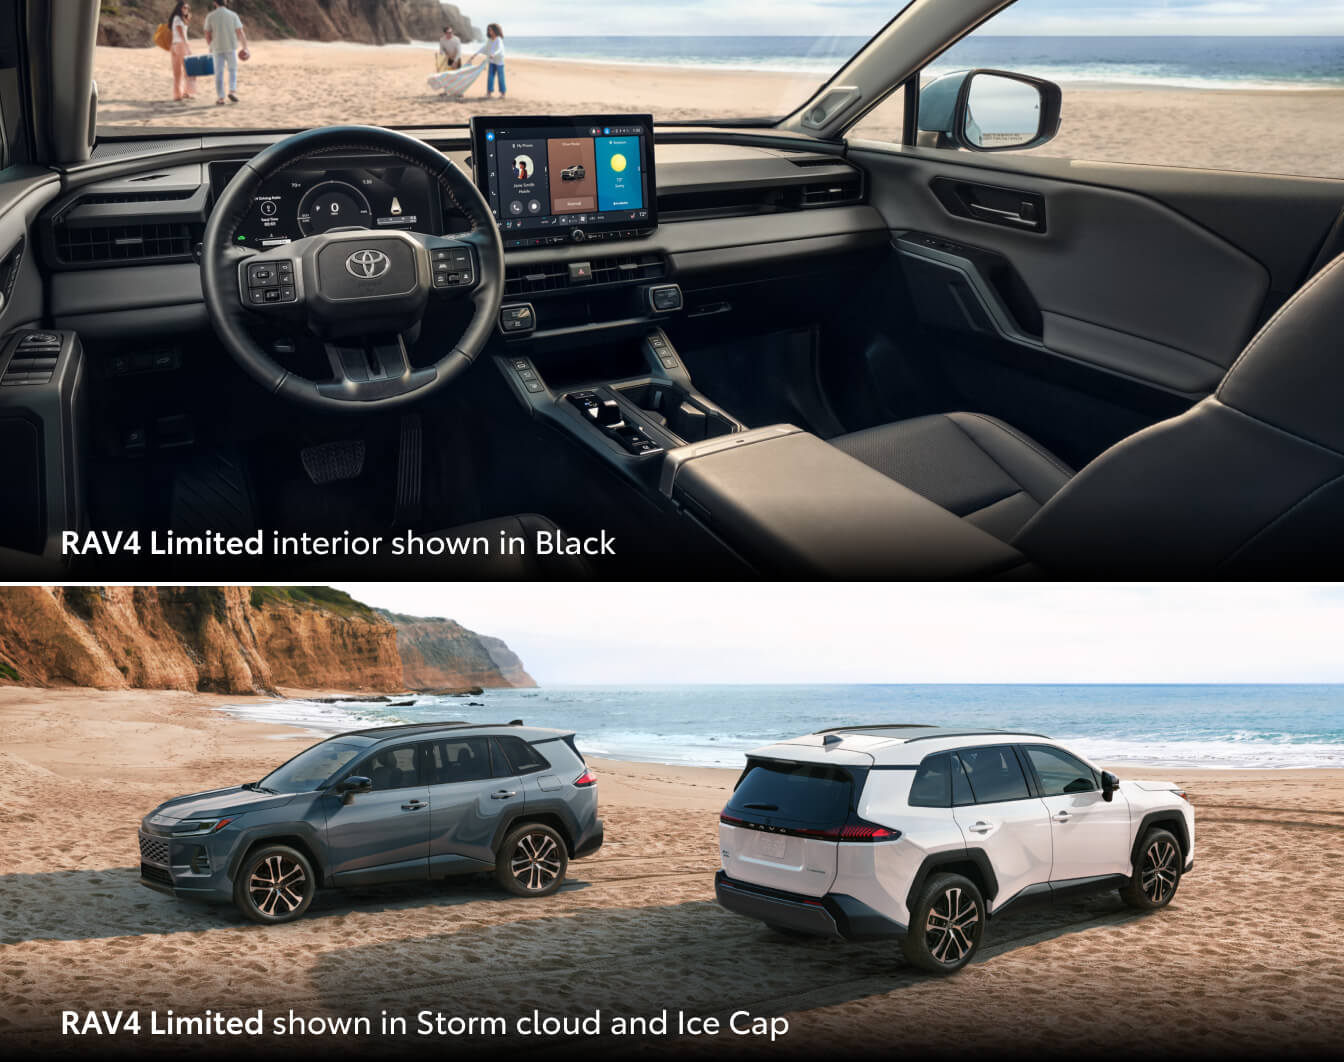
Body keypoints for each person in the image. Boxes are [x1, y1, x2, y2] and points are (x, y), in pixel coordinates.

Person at [203, 0, 248, 105]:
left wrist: (211, 45)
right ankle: (232, 91)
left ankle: (221, 98)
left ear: (215, 2)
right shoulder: (233, 15)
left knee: (219, 73)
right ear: (226, 2)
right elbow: (240, 32)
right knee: (232, 70)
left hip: (217, 48)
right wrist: (245, 48)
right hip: (230, 47)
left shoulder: (210, 16)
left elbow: (207, 34)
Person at [168, 2, 195, 101]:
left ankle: (177, 95)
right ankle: (187, 92)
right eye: (184, 7)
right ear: (179, 8)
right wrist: (188, 47)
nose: (186, 9)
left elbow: (180, 31)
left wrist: (187, 19)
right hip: (181, 45)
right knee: (188, 69)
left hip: (174, 45)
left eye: (188, 8)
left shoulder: (177, 18)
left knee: (177, 72)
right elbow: (182, 34)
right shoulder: (178, 19)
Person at [474, 23, 505, 99]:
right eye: (488, 30)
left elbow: (500, 49)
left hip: (499, 62)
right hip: (492, 61)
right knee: (490, 77)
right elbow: (484, 48)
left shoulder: (498, 39)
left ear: (495, 30)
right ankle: (489, 93)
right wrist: (476, 53)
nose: (489, 31)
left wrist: (494, 54)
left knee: (500, 78)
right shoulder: (489, 40)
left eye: (491, 30)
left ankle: (503, 93)